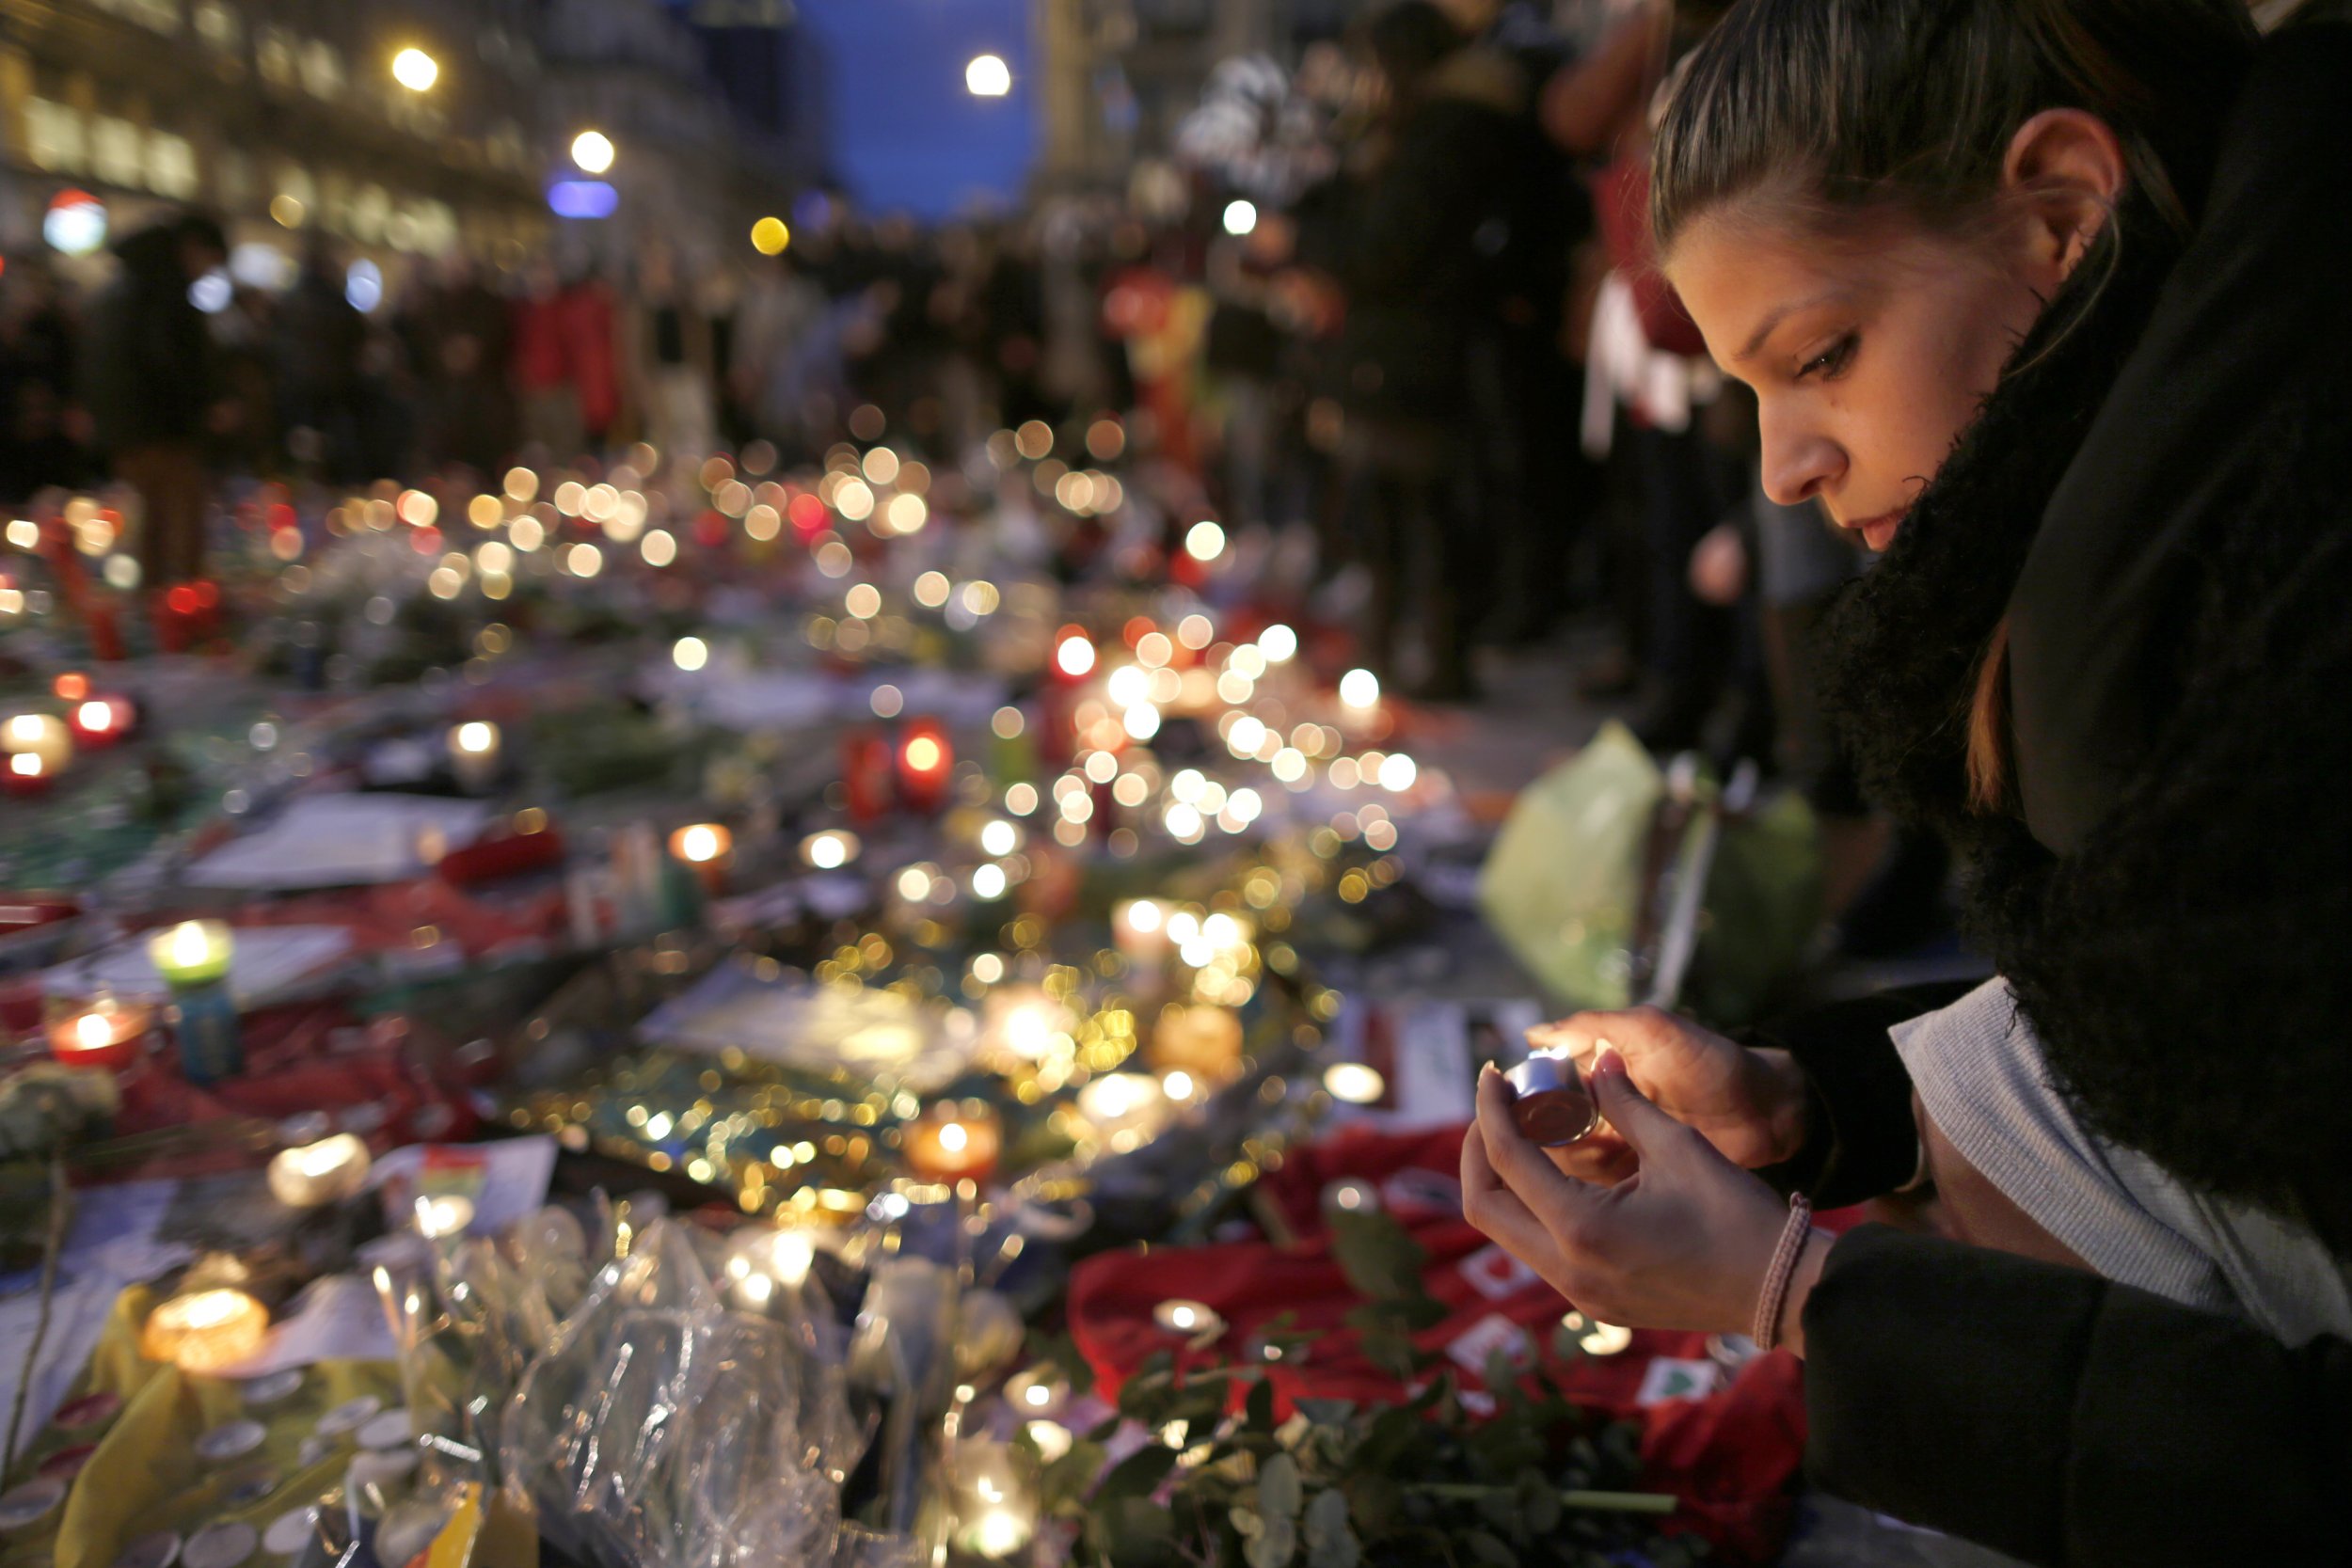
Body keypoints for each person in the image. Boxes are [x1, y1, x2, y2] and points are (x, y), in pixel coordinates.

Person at [1459, 4, 2352, 1563]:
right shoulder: (2186, 557)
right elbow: (2121, 1012)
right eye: (1751, 392)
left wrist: (1798, 1292)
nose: (1784, 465)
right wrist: (1808, 1104)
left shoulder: (2265, 654)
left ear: (2063, 212)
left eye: (1822, 357)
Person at [83, 211, 228, 588]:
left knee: (147, 522)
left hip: (127, 428)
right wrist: (203, 404)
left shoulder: (125, 285)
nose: (206, 274)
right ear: (194, 248)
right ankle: (182, 608)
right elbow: (168, 361)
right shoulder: (164, 290)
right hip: (164, 428)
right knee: (176, 524)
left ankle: (156, 607)